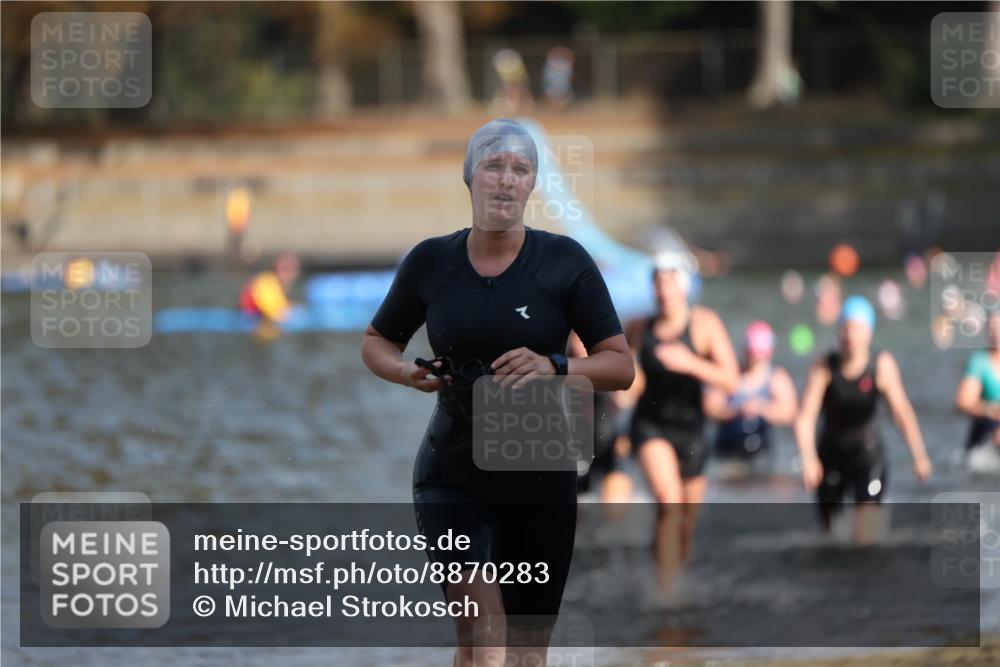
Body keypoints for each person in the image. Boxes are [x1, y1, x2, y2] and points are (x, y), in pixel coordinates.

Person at [360, 119, 633, 667]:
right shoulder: (431, 262)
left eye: (520, 169)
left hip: (541, 472)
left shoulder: (565, 263)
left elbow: (620, 366)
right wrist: (405, 372)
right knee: (483, 645)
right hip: (451, 474)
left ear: (533, 185)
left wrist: (555, 365)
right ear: (470, 178)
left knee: (527, 656)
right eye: (493, 166)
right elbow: (376, 342)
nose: (506, 180)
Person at [618, 250, 739, 591]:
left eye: (669, 282)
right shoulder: (639, 327)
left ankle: (668, 578)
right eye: (657, 282)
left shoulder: (704, 324)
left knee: (684, 524)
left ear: (684, 286)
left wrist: (691, 363)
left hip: (692, 431)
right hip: (650, 426)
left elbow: (731, 380)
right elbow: (629, 376)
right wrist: (622, 389)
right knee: (669, 504)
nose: (662, 290)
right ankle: (665, 596)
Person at [795, 296, 932, 542]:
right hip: (830, 455)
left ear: (868, 333)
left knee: (865, 539)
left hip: (867, 455)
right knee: (830, 537)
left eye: (856, 329)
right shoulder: (824, 368)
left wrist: (919, 456)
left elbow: (902, 413)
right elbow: (805, 417)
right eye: (845, 328)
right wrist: (808, 459)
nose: (849, 335)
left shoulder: (881, 366)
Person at [705, 320, 798, 473]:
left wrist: (761, 408)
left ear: (769, 353)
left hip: (760, 451)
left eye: (759, 356)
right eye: (752, 354)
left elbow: (790, 412)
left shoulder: (776, 378)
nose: (755, 360)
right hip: (726, 448)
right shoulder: (730, 375)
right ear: (746, 351)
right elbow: (710, 407)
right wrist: (736, 411)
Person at [955, 311, 1000, 469]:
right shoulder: (979, 360)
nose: (996, 332)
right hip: (987, 429)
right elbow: (964, 402)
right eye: (993, 326)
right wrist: (991, 409)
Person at [238, 251, 300, 323]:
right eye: (285, 269)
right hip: (250, 322)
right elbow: (276, 314)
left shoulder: (277, 286)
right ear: (276, 269)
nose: (289, 274)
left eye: (291, 269)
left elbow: (283, 307)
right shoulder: (266, 282)